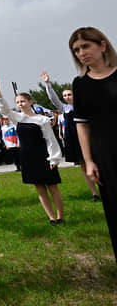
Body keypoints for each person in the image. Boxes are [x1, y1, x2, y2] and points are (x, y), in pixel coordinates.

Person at [69, 27, 117, 263]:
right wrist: (88, 161)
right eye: (76, 49)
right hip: (105, 154)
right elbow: (82, 125)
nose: (81, 52)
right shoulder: (80, 84)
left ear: (102, 45)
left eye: (86, 46)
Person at [0, 77, 64, 223]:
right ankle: (51, 218)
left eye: (22, 101)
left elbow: (51, 140)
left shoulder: (42, 120)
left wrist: (54, 158)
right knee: (40, 189)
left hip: (44, 156)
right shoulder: (17, 118)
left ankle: (60, 216)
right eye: (17, 102)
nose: (20, 104)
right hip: (28, 157)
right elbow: (3, 109)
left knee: (52, 187)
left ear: (30, 102)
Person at [42, 71, 100, 202]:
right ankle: (94, 193)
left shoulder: (83, 106)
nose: (67, 97)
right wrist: (47, 84)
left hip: (88, 138)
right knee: (84, 167)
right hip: (74, 139)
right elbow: (53, 99)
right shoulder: (64, 108)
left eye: (69, 94)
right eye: (65, 95)